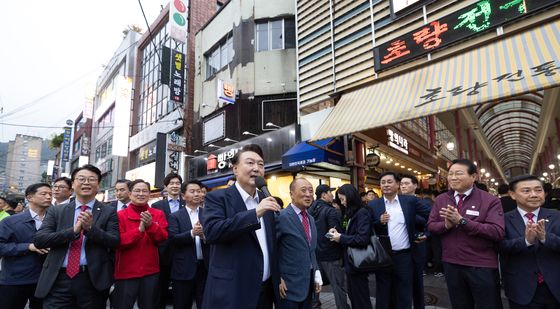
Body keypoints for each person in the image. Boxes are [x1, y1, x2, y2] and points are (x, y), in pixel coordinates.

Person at [201, 144, 281, 309]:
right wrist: (254, 214)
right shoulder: (217, 197)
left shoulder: (266, 199)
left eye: (260, 164)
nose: (256, 168)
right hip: (232, 292)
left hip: (265, 291)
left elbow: (272, 244)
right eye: (250, 163)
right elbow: (212, 232)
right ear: (235, 169)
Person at [33, 164, 120, 308]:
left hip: (92, 279)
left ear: (98, 184)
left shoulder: (108, 211)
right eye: (81, 179)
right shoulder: (56, 211)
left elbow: (114, 241)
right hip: (58, 278)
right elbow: (40, 240)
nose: (86, 183)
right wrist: (73, 231)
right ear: (73, 184)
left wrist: (90, 229)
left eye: (91, 179)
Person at [427, 159, 505, 309]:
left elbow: (497, 232)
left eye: (458, 173)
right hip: (452, 264)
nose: (453, 177)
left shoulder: (490, 200)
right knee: (460, 304)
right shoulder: (442, 199)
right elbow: (431, 226)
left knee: (488, 305)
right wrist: (446, 225)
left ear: (474, 177)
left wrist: (463, 222)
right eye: (450, 174)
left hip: (481, 265)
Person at [499, 175, 560, 308]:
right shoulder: (503, 219)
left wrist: (545, 238)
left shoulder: (556, 216)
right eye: (526, 191)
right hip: (521, 287)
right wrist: (526, 241)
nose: (534, 195)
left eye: (538, 190)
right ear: (512, 194)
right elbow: (499, 246)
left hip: (555, 285)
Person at [371, 172, 430, 309]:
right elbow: (366, 226)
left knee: (404, 291)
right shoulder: (374, 204)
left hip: (404, 256)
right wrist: (378, 222)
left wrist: (427, 233)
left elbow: (431, 215)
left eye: (389, 182)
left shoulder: (409, 201)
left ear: (397, 184)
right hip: (383, 256)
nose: (385, 185)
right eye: (383, 182)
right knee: (383, 291)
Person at [112, 179, 168, 309]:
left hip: (150, 271)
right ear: (130, 194)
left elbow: (163, 238)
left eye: (145, 191)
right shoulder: (119, 215)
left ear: (149, 195)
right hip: (126, 272)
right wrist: (139, 231)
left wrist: (151, 226)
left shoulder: (158, 214)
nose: (141, 194)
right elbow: (118, 241)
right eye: (137, 191)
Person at [0, 183, 52, 309]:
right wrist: (28, 247)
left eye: (50, 194)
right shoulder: (10, 221)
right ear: (30, 197)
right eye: (44, 194)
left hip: (44, 280)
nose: (48, 197)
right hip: (14, 280)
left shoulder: (54, 220)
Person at [277, 178, 322, 308]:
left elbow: (311, 250)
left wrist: (316, 273)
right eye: (303, 190)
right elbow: (272, 250)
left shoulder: (311, 219)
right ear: (291, 194)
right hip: (288, 288)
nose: (308, 194)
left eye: (311, 191)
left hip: (308, 286)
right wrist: (277, 278)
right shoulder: (281, 217)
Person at [328, 184, 372, 309]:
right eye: (340, 200)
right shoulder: (350, 213)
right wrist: (337, 232)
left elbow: (362, 238)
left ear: (350, 197)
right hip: (351, 262)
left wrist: (340, 238)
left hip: (359, 262)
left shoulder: (362, 212)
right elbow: (350, 233)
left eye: (342, 199)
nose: (341, 203)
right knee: (354, 296)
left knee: (361, 298)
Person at [308, 184, 350, 309]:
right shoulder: (331, 211)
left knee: (316, 284)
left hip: (315, 254)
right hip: (331, 255)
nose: (332, 195)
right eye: (330, 192)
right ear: (324, 195)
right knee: (338, 286)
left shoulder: (310, 209)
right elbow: (335, 233)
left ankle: (315, 306)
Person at [168, 180, 208, 309]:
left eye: (199, 191)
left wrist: (203, 236)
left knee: (206, 304)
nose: (197, 194)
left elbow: (216, 237)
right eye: (192, 191)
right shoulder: (175, 216)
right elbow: (173, 239)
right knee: (182, 304)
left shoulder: (208, 214)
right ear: (184, 196)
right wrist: (192, 233)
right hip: (183, 269)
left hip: (205, 268)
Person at [151, 172, 185, 308]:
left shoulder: (187, 203)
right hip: (163, 253)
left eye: (177, 183)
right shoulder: (157, 205)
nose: (175, 186)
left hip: (182, 250)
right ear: (166, 186)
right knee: (161, 289)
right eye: (171, 183)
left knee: (181, 291)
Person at [400, 174, 429, 309]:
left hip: (417, 245)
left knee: (417, 281)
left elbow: (430, 220)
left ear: (415, 186)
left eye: (407, 183)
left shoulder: (422, 202)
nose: (403, 186)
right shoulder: (395, 202)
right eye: (401, 184)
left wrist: (409, 216)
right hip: (399, 248)